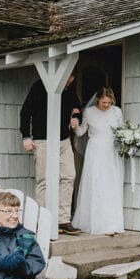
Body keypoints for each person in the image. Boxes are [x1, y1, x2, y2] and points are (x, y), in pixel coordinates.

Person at [19, 71, 83, 234]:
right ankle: (42, 220)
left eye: (71, 80)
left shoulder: (68, 90)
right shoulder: (39, 86)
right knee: (44, 179)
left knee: (69, 175)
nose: (69, 83)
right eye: (68, 79)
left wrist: (75, 117)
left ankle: (63, 220)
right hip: (43, 139)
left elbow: (77, 107)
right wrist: (26, 136)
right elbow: (26, 112)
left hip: (63, 140)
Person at [71, 87, 125, 235]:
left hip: (112, 151)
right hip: (95, 151)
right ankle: (95, 222)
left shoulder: (117, 111)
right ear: (97, 100)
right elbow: (82, 131)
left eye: (108, 102)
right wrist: (75, 126)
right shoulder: (89, 112)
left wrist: (128, 140)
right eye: (103, 102)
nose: (106, 105)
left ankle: (112, 222)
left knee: (110, 185)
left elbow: (121, 131)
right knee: (96, 184)